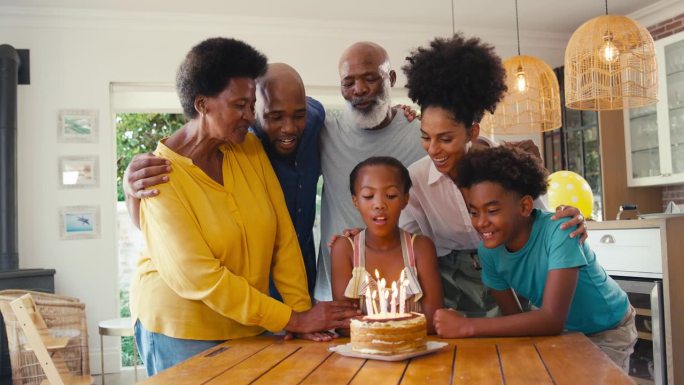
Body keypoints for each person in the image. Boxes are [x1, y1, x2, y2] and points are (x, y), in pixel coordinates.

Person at [130, 37, 357, 376]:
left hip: (251, 323)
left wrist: (300, 316)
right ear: (202, 104)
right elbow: (200, 277)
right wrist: (293, 318)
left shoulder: (247, 147)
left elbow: (283, 236)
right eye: (240, 106)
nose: (250, 117)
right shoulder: (159, 177)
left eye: (252, 105)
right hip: (183, 332)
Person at [399, 33, 588, 317]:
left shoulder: (512, 166)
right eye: (426, 137)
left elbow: (538, 224)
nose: (433, 149)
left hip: (510, 279)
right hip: (450, 286)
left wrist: (571, 219)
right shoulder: (415, 180)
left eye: (446, 138)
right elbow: (406, 243)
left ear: (473, 131)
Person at [434, 146, 637, 372]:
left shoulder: (560, 230)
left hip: (607, 328)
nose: (481, 222)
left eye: (492, 211)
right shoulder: (488, 252)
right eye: (474, 212)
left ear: (524, 206)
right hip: (563, 332)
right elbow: (515, 319)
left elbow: (551, 318)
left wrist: (467, 326)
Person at [315, 42, 425, 301]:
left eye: (370, 78)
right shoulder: (323, 133)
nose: (359, 89)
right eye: (348, 82)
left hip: (407, 291)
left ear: (392, 79)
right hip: (335, 294)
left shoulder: (421, 135)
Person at [331, 156, 443, 334]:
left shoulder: (421, 248)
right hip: (362, 356)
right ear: (355, 201)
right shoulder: (345, 249)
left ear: (405, 199)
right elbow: (344, 324)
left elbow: (433, 321)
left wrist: (377, 326)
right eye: (368, 196)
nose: (379, 205)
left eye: (390, 196)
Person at [252, 63, 324, 299]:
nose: (289, 128)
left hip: (306, 272)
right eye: (275, 117)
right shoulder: (237, 147)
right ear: (253, 110)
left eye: (298, 115)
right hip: (260, 283)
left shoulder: (314, 118)